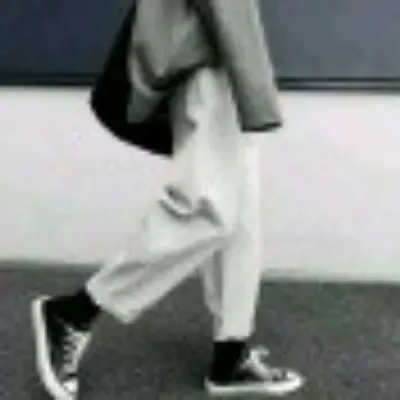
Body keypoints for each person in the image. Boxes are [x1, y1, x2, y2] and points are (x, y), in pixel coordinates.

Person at [30, 0, 305, 398]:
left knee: (240, 213)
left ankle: (230, 355)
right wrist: (253, 82)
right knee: (209, 210)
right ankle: (74, 311)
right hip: (211, 52)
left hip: (221, 53)